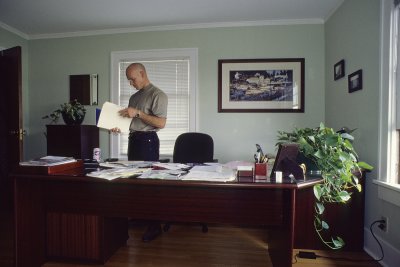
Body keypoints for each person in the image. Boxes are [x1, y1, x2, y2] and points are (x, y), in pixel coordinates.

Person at [112, 62, 168, 242]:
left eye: (132, 79)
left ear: (142, 74)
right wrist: (117, 127)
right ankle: (141, 217)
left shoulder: (158, 95)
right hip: (133, 140)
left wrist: (138, 113)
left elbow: (161, 123)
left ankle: (154, 226)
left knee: (149, 185)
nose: (130, 83)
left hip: (148, 142)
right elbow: (132, 122)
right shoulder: (134, 97)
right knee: (135, 183)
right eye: (128, 80)